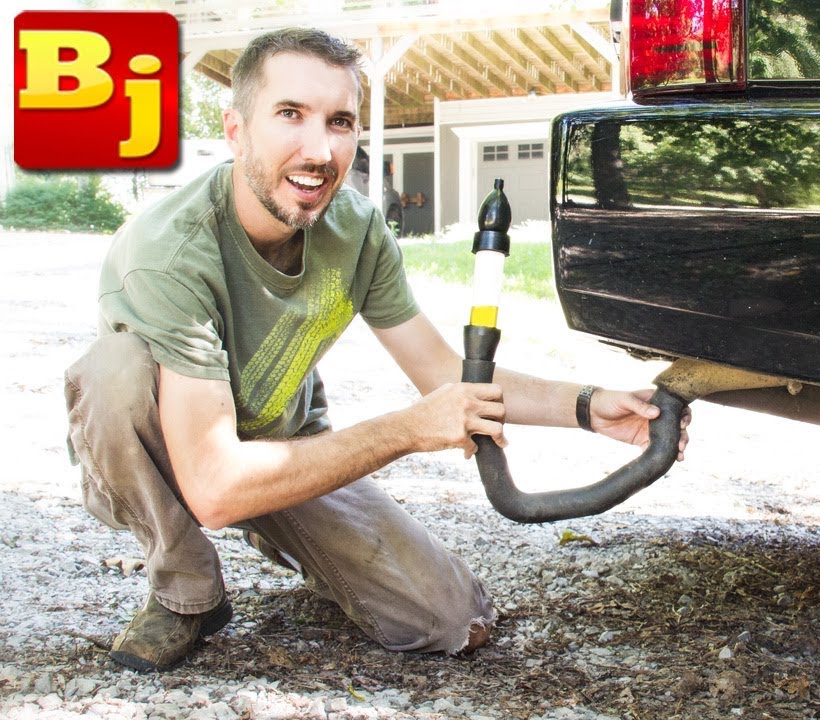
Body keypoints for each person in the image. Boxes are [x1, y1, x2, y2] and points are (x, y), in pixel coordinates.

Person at [63, 27, 688, 672]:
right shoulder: (169, 252)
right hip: (183, 450)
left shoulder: (356, 229)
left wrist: (590, 407)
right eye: (290, 115)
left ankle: (285, 535)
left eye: (339, 122)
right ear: (234, 129)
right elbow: (217, 485)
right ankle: (185, 591)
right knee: (114, 375)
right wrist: (407, 432)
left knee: (450, 620)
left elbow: (446, 374)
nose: (319, 150)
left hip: (285, 448)